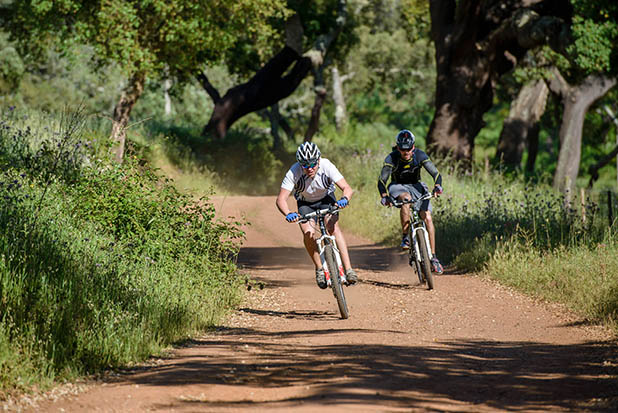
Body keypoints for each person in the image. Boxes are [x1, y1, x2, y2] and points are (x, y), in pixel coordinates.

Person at [276, 142, 358, 289]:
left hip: (327, 198)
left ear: (318, 159)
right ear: (300, 164)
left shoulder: (326, 165)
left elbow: (347, 188)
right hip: (305, 203)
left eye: (313, 163)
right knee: (308, 232)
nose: (310, 168)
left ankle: (349, 269)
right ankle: (320, 268)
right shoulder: (294, 171)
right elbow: (281, 199)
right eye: (305, 165)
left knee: (332, 228)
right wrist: (288, 213)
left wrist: (345, 199)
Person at [377, 129, 444, 274]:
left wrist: (437, 186)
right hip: (397, 186)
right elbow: (381, 181)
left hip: (417, 186)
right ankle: (405, 237)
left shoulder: (419, 155)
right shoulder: (392, 158)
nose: (406, 152)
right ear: (398, 147)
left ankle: (433, 257)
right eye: (402, 149)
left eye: (408, 149)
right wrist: (384, 195)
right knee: (406, 199)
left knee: (427, 217)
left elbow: (436, 173)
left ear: (413, 146)